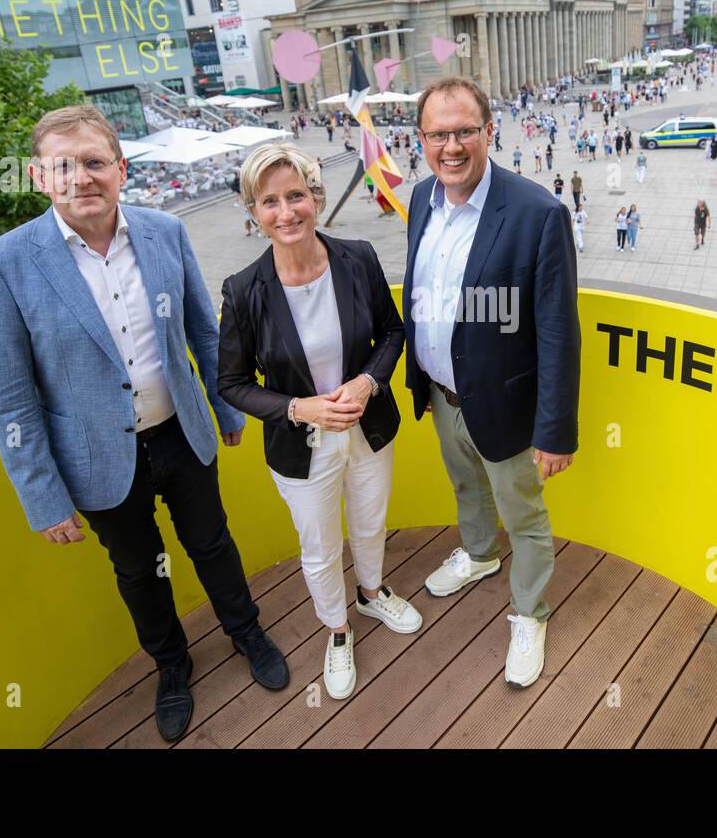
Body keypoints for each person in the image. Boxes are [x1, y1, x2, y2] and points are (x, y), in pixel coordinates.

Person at [0, 104, 288, 743]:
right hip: (95, 458)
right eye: (64, 166)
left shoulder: (163, 231)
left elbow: (204, 329)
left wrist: (226, 407)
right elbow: (10, 397)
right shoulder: (1, 264)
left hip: (182, 432)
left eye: (94, 162)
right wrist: (42, 496)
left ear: (119, 169)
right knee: (139, 571)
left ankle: (245, 630)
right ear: (39, 177)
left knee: (213, 544)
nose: (81, 178)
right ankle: (171, 666)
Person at [218, 143, 418, 700]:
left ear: (316, 197)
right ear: (254, 212)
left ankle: (373, 594)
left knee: (371, 523)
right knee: (320, 547)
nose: (286, 212)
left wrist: (366, 381)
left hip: (368, 427)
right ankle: (337, 630)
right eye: (270, 201)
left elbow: (394, 332)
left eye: (296, 196)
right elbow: (231, 385)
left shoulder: (357, 256)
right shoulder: (242, 290)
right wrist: (297, 408)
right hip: (300, 447)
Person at [405, 77, 580, 688]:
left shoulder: (537, 213)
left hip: (507, 406)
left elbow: (559, 331)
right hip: (441, 392)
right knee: (467, 489)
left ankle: (530, 611)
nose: (450, 146)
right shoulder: (422, 199)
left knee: (523, 514)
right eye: (437, 134)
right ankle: (480, 556)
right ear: (421, 140)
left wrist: (555, 431)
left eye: (463, 132)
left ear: (488, 132)